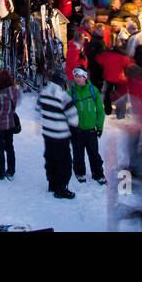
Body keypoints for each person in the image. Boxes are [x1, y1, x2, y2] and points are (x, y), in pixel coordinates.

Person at [36, 71, 79, 199]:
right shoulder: (63, 96)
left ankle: (52, 183)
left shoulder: (43, 93)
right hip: (60, 134)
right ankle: (61, 188)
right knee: (64, 162)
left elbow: (38, 111)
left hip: (48, 133)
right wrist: (74, 130)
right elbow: (73, 116)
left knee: (50, 159)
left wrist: (41, 124)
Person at [68, 67, 106, 184]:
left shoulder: (93, 90)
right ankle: (80, 173)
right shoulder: (71, 92)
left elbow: (100, 110)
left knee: (94, 154)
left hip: (91, 129)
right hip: (77, 130)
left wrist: (99, 127)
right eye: (76, 77)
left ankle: (98, 174)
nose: (78, 79)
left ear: (85, 77)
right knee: (78, 154)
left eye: (80, 77)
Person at [0, 69, 20, 180]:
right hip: (10, 123)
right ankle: (11, 169)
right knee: (10, 147)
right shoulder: (14, 91)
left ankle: (0, 171)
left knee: (0, 148)